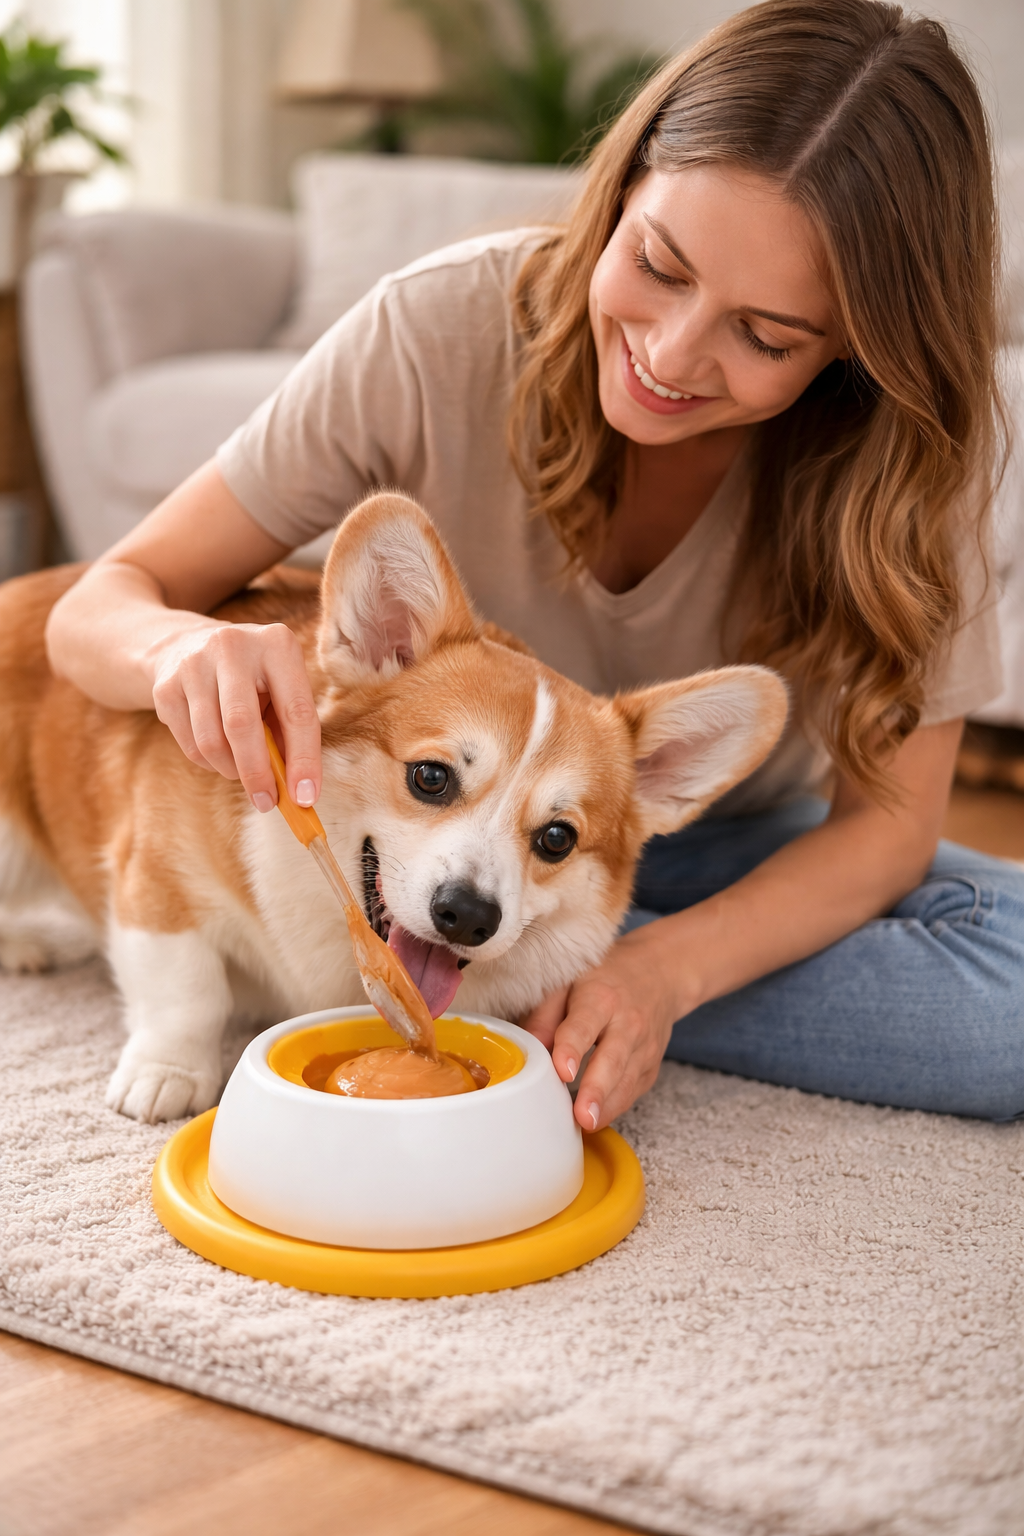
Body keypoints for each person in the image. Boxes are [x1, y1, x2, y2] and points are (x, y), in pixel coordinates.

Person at [46, 0, 1023, 1129]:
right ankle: (454, 971)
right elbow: (96, 611)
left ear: (856, 344)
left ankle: (464, 977)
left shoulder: (911, 461)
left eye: (764, 336)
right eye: (658, 264)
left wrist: (660, 973)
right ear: (619, 193)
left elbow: (888, 831)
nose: (669, 355)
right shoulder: (438, 327)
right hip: (402, 833)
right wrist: (189, 648)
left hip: (700, 847)